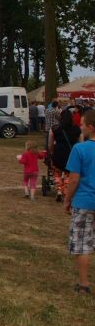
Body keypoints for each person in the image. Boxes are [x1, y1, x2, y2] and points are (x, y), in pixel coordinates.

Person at [65, 109, 95, 294]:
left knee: (82, 244)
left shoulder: (79, 149)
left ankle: (84, 284)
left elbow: (74, 180)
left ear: (90, 127)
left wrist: (67, 199)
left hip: (84, 201)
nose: (80, 127)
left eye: (82, 124)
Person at [48, 109, 82, 203]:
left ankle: (59, 190)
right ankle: (66, 191)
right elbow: (81, 142)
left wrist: (51, 153)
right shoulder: (77, 128)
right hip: (72, 154)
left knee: (57, 172)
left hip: (58, 153)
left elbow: (50, 143)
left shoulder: (54, 128)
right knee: (68, 174)